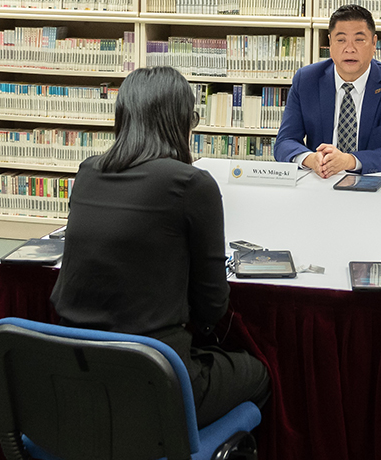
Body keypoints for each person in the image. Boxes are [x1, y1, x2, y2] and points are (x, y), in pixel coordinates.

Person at [50, 66, 269, 428]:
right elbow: (213, 305)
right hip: (157, 378)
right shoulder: (191, 184)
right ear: (181, 121)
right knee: (258, 374)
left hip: (77, 376)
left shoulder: (87, 172)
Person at [273, 4, 381, 176]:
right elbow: (285, 141)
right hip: (321, 181)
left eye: (359, 39)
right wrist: (310, 159)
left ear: (373, 44)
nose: (350, 48)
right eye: (341, 40)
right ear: (330, 44)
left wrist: (349, 161)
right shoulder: (306, 80)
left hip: (375, 183)